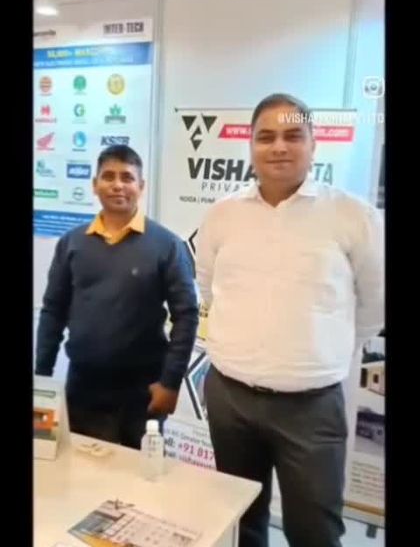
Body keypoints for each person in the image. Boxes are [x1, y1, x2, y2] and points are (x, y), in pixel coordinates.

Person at [196, 94, 384, 547]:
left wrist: (321, 353)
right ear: (251, 146)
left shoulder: (352, 216)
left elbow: (374, 305)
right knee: (241, 522)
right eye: (266, 137)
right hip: (230, 398)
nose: (279, 146)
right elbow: (209, 288)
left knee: (314, 531)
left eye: (293, 135)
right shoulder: (222, 215)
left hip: (311, 407)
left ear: (313, 144)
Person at [35, 144, 199, 448]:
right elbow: (53, 311)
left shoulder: (167, 245)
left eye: (127, 177)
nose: (118, 185)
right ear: (94, 184)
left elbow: (187, 315)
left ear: (141, 186)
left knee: (138, 474)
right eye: (108, 176)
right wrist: (41, 377)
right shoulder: (72, 243)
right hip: (82, 388)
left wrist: (170, 382)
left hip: (143, 392)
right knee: (81, 469)